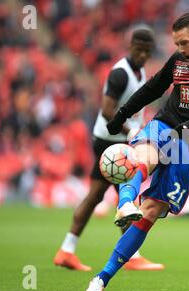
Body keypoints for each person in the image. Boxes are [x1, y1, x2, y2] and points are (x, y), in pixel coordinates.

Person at [85, 12, 189, 291]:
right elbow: (153, 87)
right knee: (142, 156)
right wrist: (123, 112)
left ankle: (103, 277)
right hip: (166, 124)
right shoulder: (179, 60)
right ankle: (124, 202)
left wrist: (183, 131)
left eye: (183, 43)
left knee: (152, 211)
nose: (179, 50)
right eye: (176, 44)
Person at [53, 28, 164, 272]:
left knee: (96, 196)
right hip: (111, 141)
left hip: (114, 139)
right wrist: (129, 132)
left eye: (147, 51)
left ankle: (66, 250)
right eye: (139, 49)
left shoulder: (139, 71)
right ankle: (131, 256)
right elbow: (106, 110)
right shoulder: (120, 74)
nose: (143, 54)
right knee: (126, 198)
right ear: (130, 45)